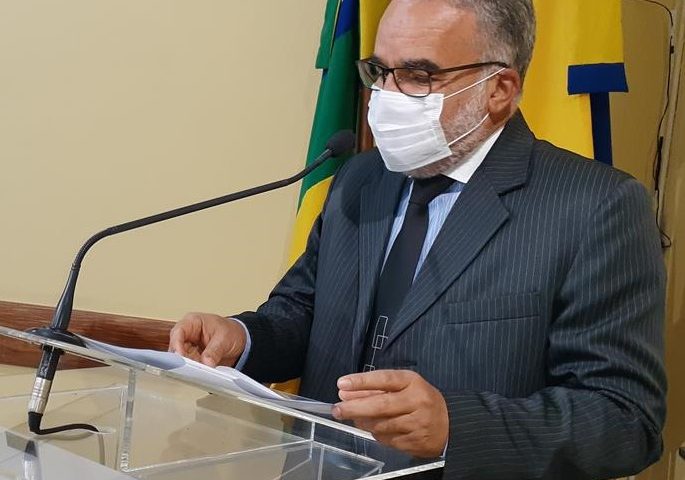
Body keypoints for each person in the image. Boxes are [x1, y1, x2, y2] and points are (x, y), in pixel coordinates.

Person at [168, 0, 667, 478]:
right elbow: (303, 312)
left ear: (499, 89)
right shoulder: (360, 179)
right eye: (379, 71)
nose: (384, 96)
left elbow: (625, 418)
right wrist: (244, 339)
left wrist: (455, 427)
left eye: (418, 75)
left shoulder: (594, 206)